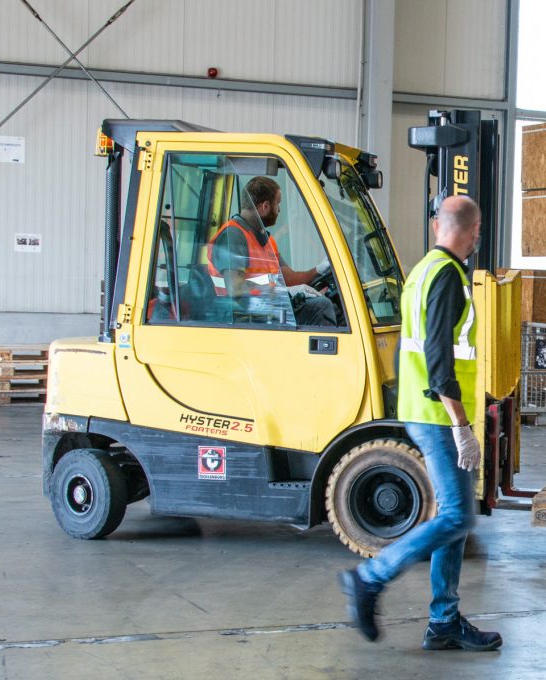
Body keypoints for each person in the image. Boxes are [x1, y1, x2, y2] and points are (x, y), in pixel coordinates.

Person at [338, 195, 502, 652]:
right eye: (479, 229)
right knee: (455, 515)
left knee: (457, 520)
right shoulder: (448, 276)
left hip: (421, 409)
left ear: (437, 227)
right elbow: (439, 359)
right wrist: (462, 425)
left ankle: (444, 621)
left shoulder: (422, 269)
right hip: (438, 415)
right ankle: (369, 577)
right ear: (472, 230)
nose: (477, 237)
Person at [207, 176, 338, 326]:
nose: (279, 210)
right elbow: (235, 288)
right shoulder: (233, 236)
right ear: (265, 206)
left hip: (267, 309)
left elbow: (288, 279)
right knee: (321, 307)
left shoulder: (265, 239)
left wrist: (319, 270)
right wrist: (284, 292)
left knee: (333, 305)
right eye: (278, 204)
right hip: (243, 317)